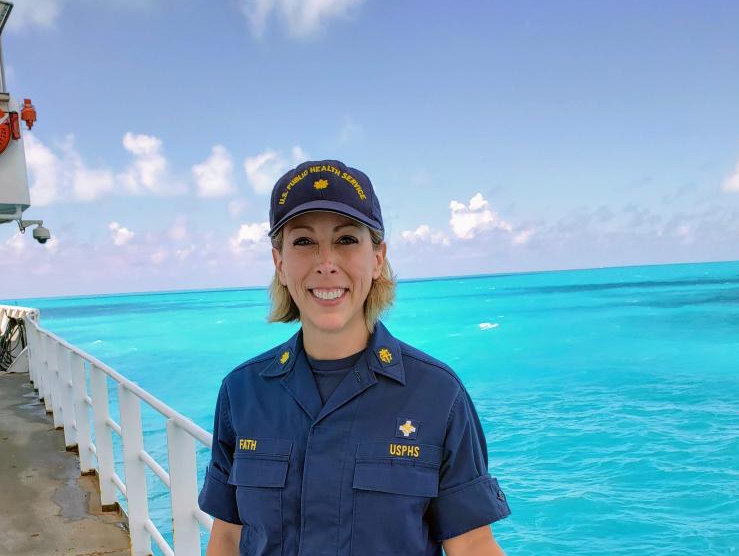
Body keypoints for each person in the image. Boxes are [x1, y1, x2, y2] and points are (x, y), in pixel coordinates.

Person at [199, 159, 511, 555]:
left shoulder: (438, 395)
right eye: (303, 241)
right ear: (279, 263)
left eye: (346, 240)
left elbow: (471, 545)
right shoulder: (242, 393)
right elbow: (226, 538)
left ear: (377, 257)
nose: (326, 263)